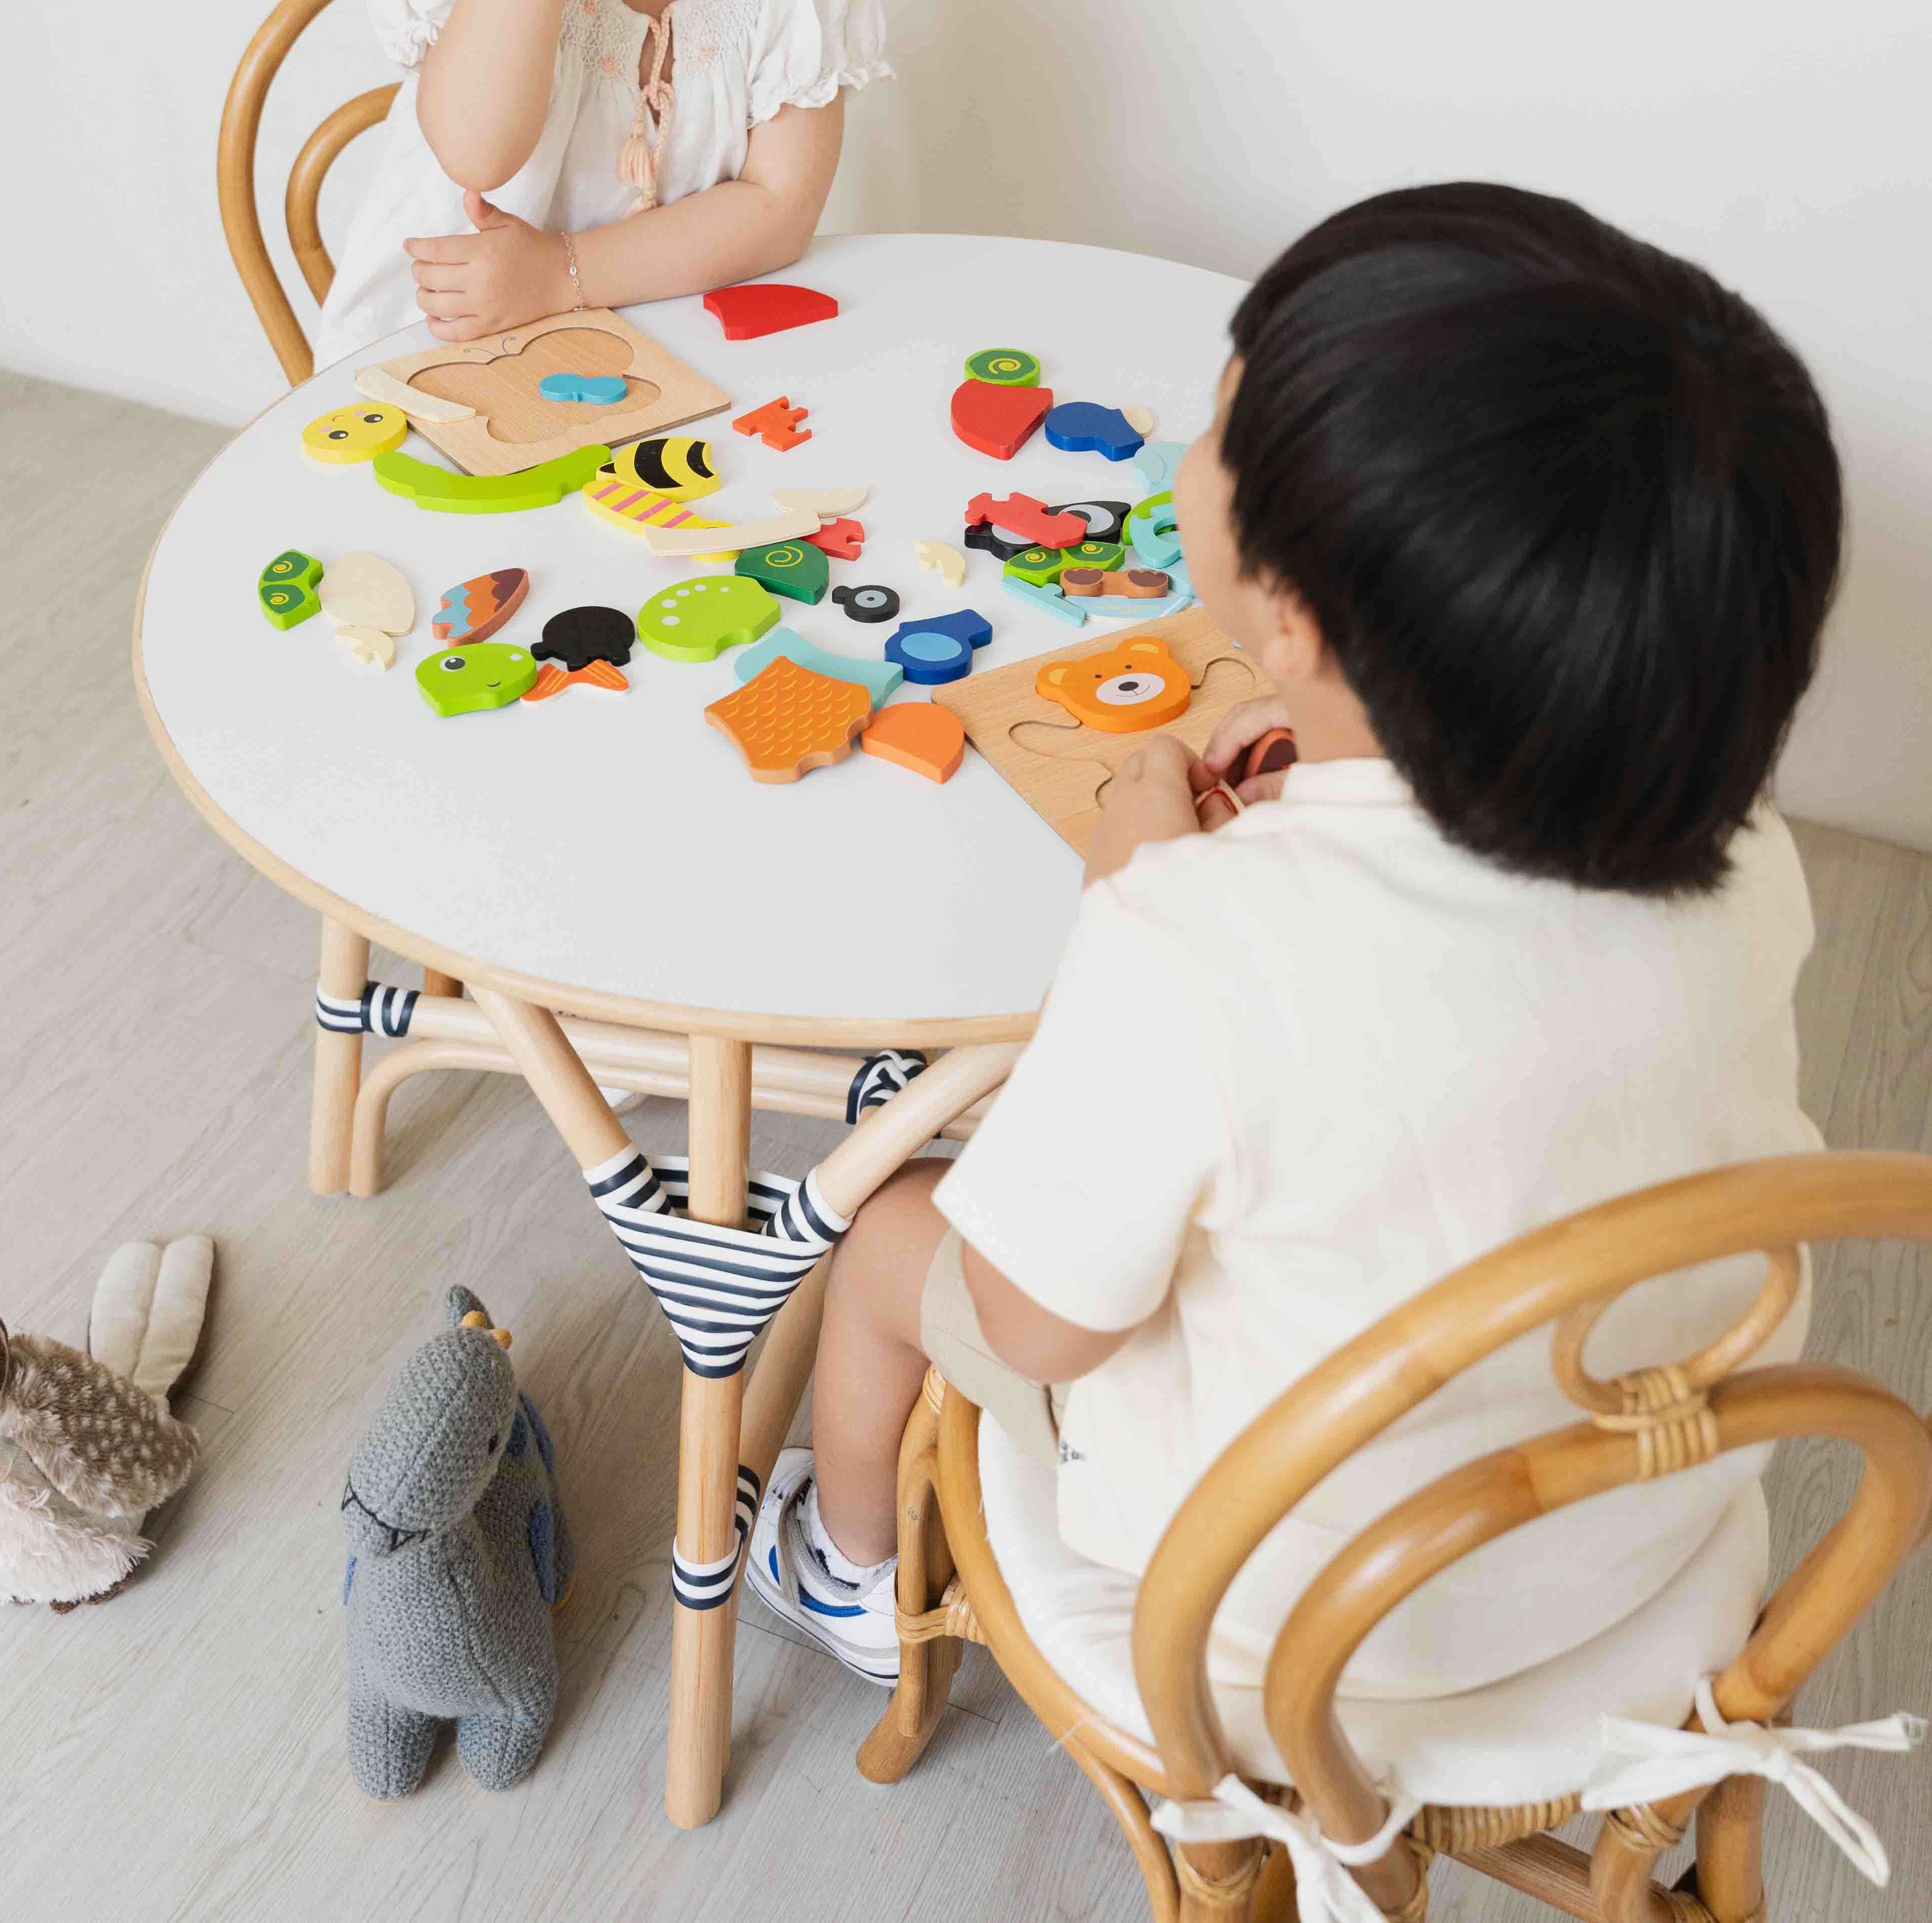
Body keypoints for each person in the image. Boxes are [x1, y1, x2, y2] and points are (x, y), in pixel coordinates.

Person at [745, 182, 1843, 1696]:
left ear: (1295, 620)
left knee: (886, 1236)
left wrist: (1120, 904)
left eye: (1212, 430)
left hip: (1306, 1619)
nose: (1192, 453)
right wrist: (1339, 752)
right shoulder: (1744, 858)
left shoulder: (1185, 939)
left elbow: (1031, 1321)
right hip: (1638, 1518)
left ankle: (846, 1571)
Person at [313, 0, 888, 370]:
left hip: (666, 356)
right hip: (439, 348)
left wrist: (558, 274)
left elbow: (779, 205)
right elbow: (479, 158)